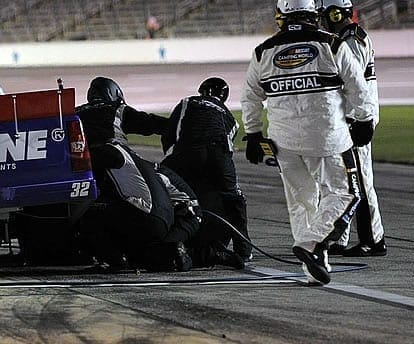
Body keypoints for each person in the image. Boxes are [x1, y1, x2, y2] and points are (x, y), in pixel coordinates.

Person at [241, 0, 375, 285]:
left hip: (282, 141)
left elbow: (250, 97)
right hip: (327, 138)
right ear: (314, 14)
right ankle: (312, 244)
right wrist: (365, 120)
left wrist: (253, 134)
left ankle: (313, 266)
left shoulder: (263, 51)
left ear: (281, 17)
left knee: (301, 202)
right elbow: (357, 86)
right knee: (346, 194)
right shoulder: (332, 44)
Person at [75, 77, 243, 272]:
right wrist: (183, 130)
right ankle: (186, 249)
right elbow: (151, 123)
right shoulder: (115, 110)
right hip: (125, 170)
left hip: (83, 176)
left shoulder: (74, 114)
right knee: (189, 206)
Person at [318, 0, 387, 257]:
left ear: (335, 14)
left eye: (324, 15)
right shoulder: (347, 39)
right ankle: (340, 238)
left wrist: (359, 120)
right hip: (351, 120)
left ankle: (373, 240)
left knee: (361, 182)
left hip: (357, 122)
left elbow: (355, 85)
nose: (321, 21)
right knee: (346, 182)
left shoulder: (351, 41)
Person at [161, 77, 252, 262]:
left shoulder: (187, 102)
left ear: (201, 90)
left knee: (167, 190)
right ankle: (243, 248)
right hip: (218, 155)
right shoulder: (230, 118)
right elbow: (227, 148)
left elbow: (171, 133)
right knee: (234, 199)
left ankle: (168, 239)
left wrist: (172, 160)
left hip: (186, 152)